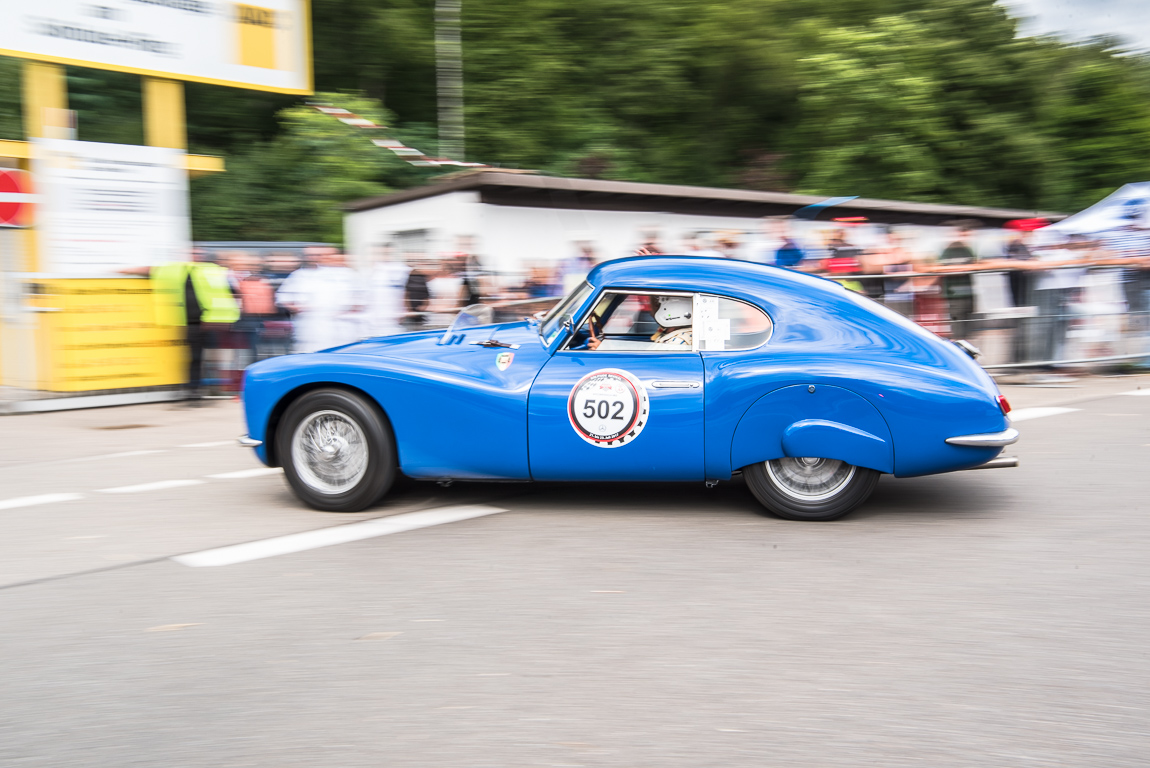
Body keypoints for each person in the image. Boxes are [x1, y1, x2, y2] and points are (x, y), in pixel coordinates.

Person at [126, 250, 240, 401]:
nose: (195, 256)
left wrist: (225, 316)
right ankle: (193, 390)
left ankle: (213, 389)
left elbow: (234, 293)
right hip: (190, 324)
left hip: (212, 322)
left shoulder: (214, 271)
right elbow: (149, 270)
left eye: (198, 253)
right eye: (192, 253)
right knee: (194, 357)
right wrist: (122, 269)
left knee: (213, 358)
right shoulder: (175, 270)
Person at [275, 248, 366, 352]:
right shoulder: (301, 275)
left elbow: (361, 300)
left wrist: (348, 311)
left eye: (322, 255)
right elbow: (284, 297)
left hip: (343, 328)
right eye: (312, 255)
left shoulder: (349, 275)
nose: (316, 258)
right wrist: (298, 308)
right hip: (310, 326)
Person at [587, 295, 692, 350]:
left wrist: (604, 349)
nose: (651, 307)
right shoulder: (670, 334)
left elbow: (647, 365)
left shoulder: (677, 343)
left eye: (658, 304)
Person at [366, 242, 411, 337]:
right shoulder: (371, 270)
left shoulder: (401, 269)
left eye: (387, 253)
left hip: (393, 315)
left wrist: (405, 309)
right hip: (374, 315)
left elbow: (406, 292)